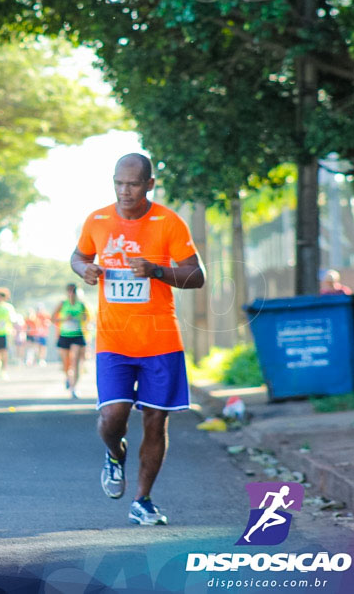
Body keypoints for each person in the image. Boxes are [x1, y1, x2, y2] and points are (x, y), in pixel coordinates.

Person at [71, 153, 205, 526]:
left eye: (132, 184)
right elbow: (78, 256)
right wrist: (86, 269)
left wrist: (157, 270)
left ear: (149, 184)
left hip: (160, 341)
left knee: (155, 422)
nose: (124, 191)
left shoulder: (168, 222)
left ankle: (143, 500)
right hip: (114, 341)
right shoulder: (97, 220)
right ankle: (115, 453)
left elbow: (197, 276)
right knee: (113, 416)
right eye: (118, 183)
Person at [53, 283, 88, 399]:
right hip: (65, 335)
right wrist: (64, 319)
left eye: (74, 291)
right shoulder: (62, 304)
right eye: (69, 291)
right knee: (66, 363)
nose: (71, 293)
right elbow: (53, 318)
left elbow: (87, 318)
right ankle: (68, 378)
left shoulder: (81, 305)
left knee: (75, 361)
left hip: (77, 335)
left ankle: (74, 388)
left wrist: (82, 319)